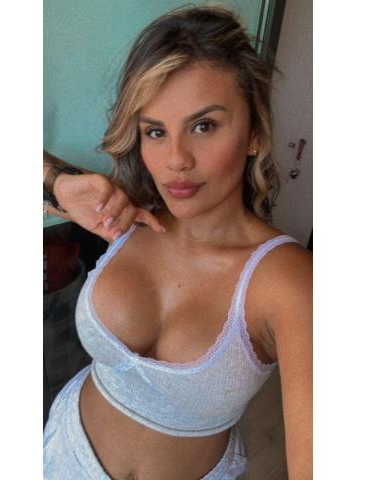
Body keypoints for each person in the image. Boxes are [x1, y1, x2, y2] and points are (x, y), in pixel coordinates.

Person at [43, 6, 312, 480]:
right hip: (60, 452)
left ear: (253, 133)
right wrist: (58, 185)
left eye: (204, 126)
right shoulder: (130, 215)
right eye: (155, 131)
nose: (176, 160)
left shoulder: (285, 280)